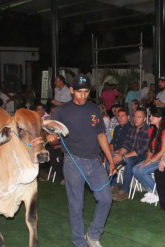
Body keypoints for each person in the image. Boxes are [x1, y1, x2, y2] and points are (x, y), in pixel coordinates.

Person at [51, 74, 114, 247]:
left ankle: (93, 235)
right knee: (76, 205)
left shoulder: (94, 109)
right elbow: (52, 132)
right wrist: (50, 137)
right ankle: (79, 241)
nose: (83, 96)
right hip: (74, 162)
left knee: (106, 198)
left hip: (95, 161)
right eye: (79, 92)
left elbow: (101, 134)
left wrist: (110, 159)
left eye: (86, 92)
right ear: (72, 90)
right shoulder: (61, 111)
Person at [133, 107, 165, 204]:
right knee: (135, 169)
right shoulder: (154, 130)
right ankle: (151, 191)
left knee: (142, 170)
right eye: (150, 115)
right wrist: (147, 161)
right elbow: (150, 150)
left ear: (160, 118)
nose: (150, 117)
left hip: (164, 159)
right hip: (155, 158)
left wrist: (149, 162)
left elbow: (163, 151)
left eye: (153, 116)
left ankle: (159, 193)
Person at [112, 108, 149, 201]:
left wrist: (123, 156)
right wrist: (119, 154)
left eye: (139, 117)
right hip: (132, 155)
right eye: (135, 116)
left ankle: (124, 191)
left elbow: (140, 150)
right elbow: (126, 145)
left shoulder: (148, 130)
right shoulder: (132, 129)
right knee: (112, 157)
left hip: (143, 156)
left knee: (128, 161)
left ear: (145, 119)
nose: (136, 119)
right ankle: (113, 186)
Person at [108, 108, 132, 192]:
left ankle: (112, 185)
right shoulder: (117, 128)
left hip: (125, 153)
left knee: (110, 157)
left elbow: (128, 146)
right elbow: (112, 142)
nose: (120, 118)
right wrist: (110, 151)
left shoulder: (131, 129)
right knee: (107, 155)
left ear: (128, 117)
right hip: (115, 152)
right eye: (118, 116)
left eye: (123, 116)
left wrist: (113, 153)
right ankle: (112, 184)